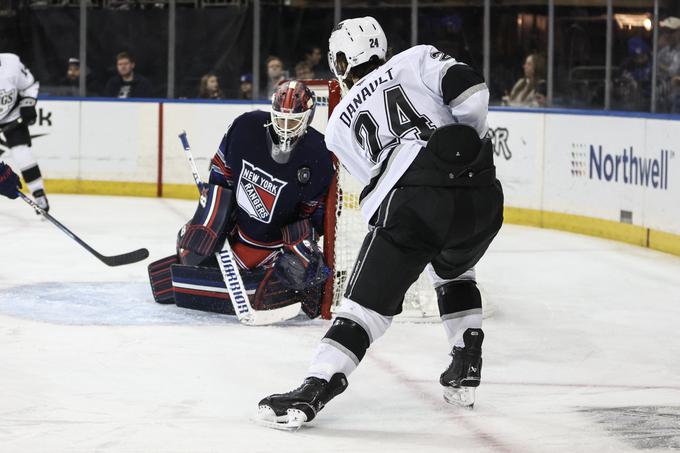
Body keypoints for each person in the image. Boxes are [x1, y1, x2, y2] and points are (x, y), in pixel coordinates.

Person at [257, 16, 503, 428]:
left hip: (412, 203)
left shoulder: (337, 124)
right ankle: (466, 359)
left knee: (363, 309)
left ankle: (316, 385)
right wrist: (461, 154)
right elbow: (473, 93)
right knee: (455, 269)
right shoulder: (415, 59)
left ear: (339, 62)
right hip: (482, 197)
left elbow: (378, 181)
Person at [148, 81, 335, 320]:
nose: (286, 128)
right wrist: (213, 214)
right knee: (191, 247)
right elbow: (221, 172)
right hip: (239, 233)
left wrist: (303, 244)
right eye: (281, 119)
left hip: (275, 247)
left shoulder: (317, 152)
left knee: (303, 272)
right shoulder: (246, 127)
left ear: (307, 118)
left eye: (293, 121)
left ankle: (270, 282)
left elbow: (313, 214)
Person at [0, 53, 49, 212]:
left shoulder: (11, 63)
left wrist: (28, 104)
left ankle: (39, 193)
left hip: (11, 115)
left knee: (22, 151)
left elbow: (29, 85)